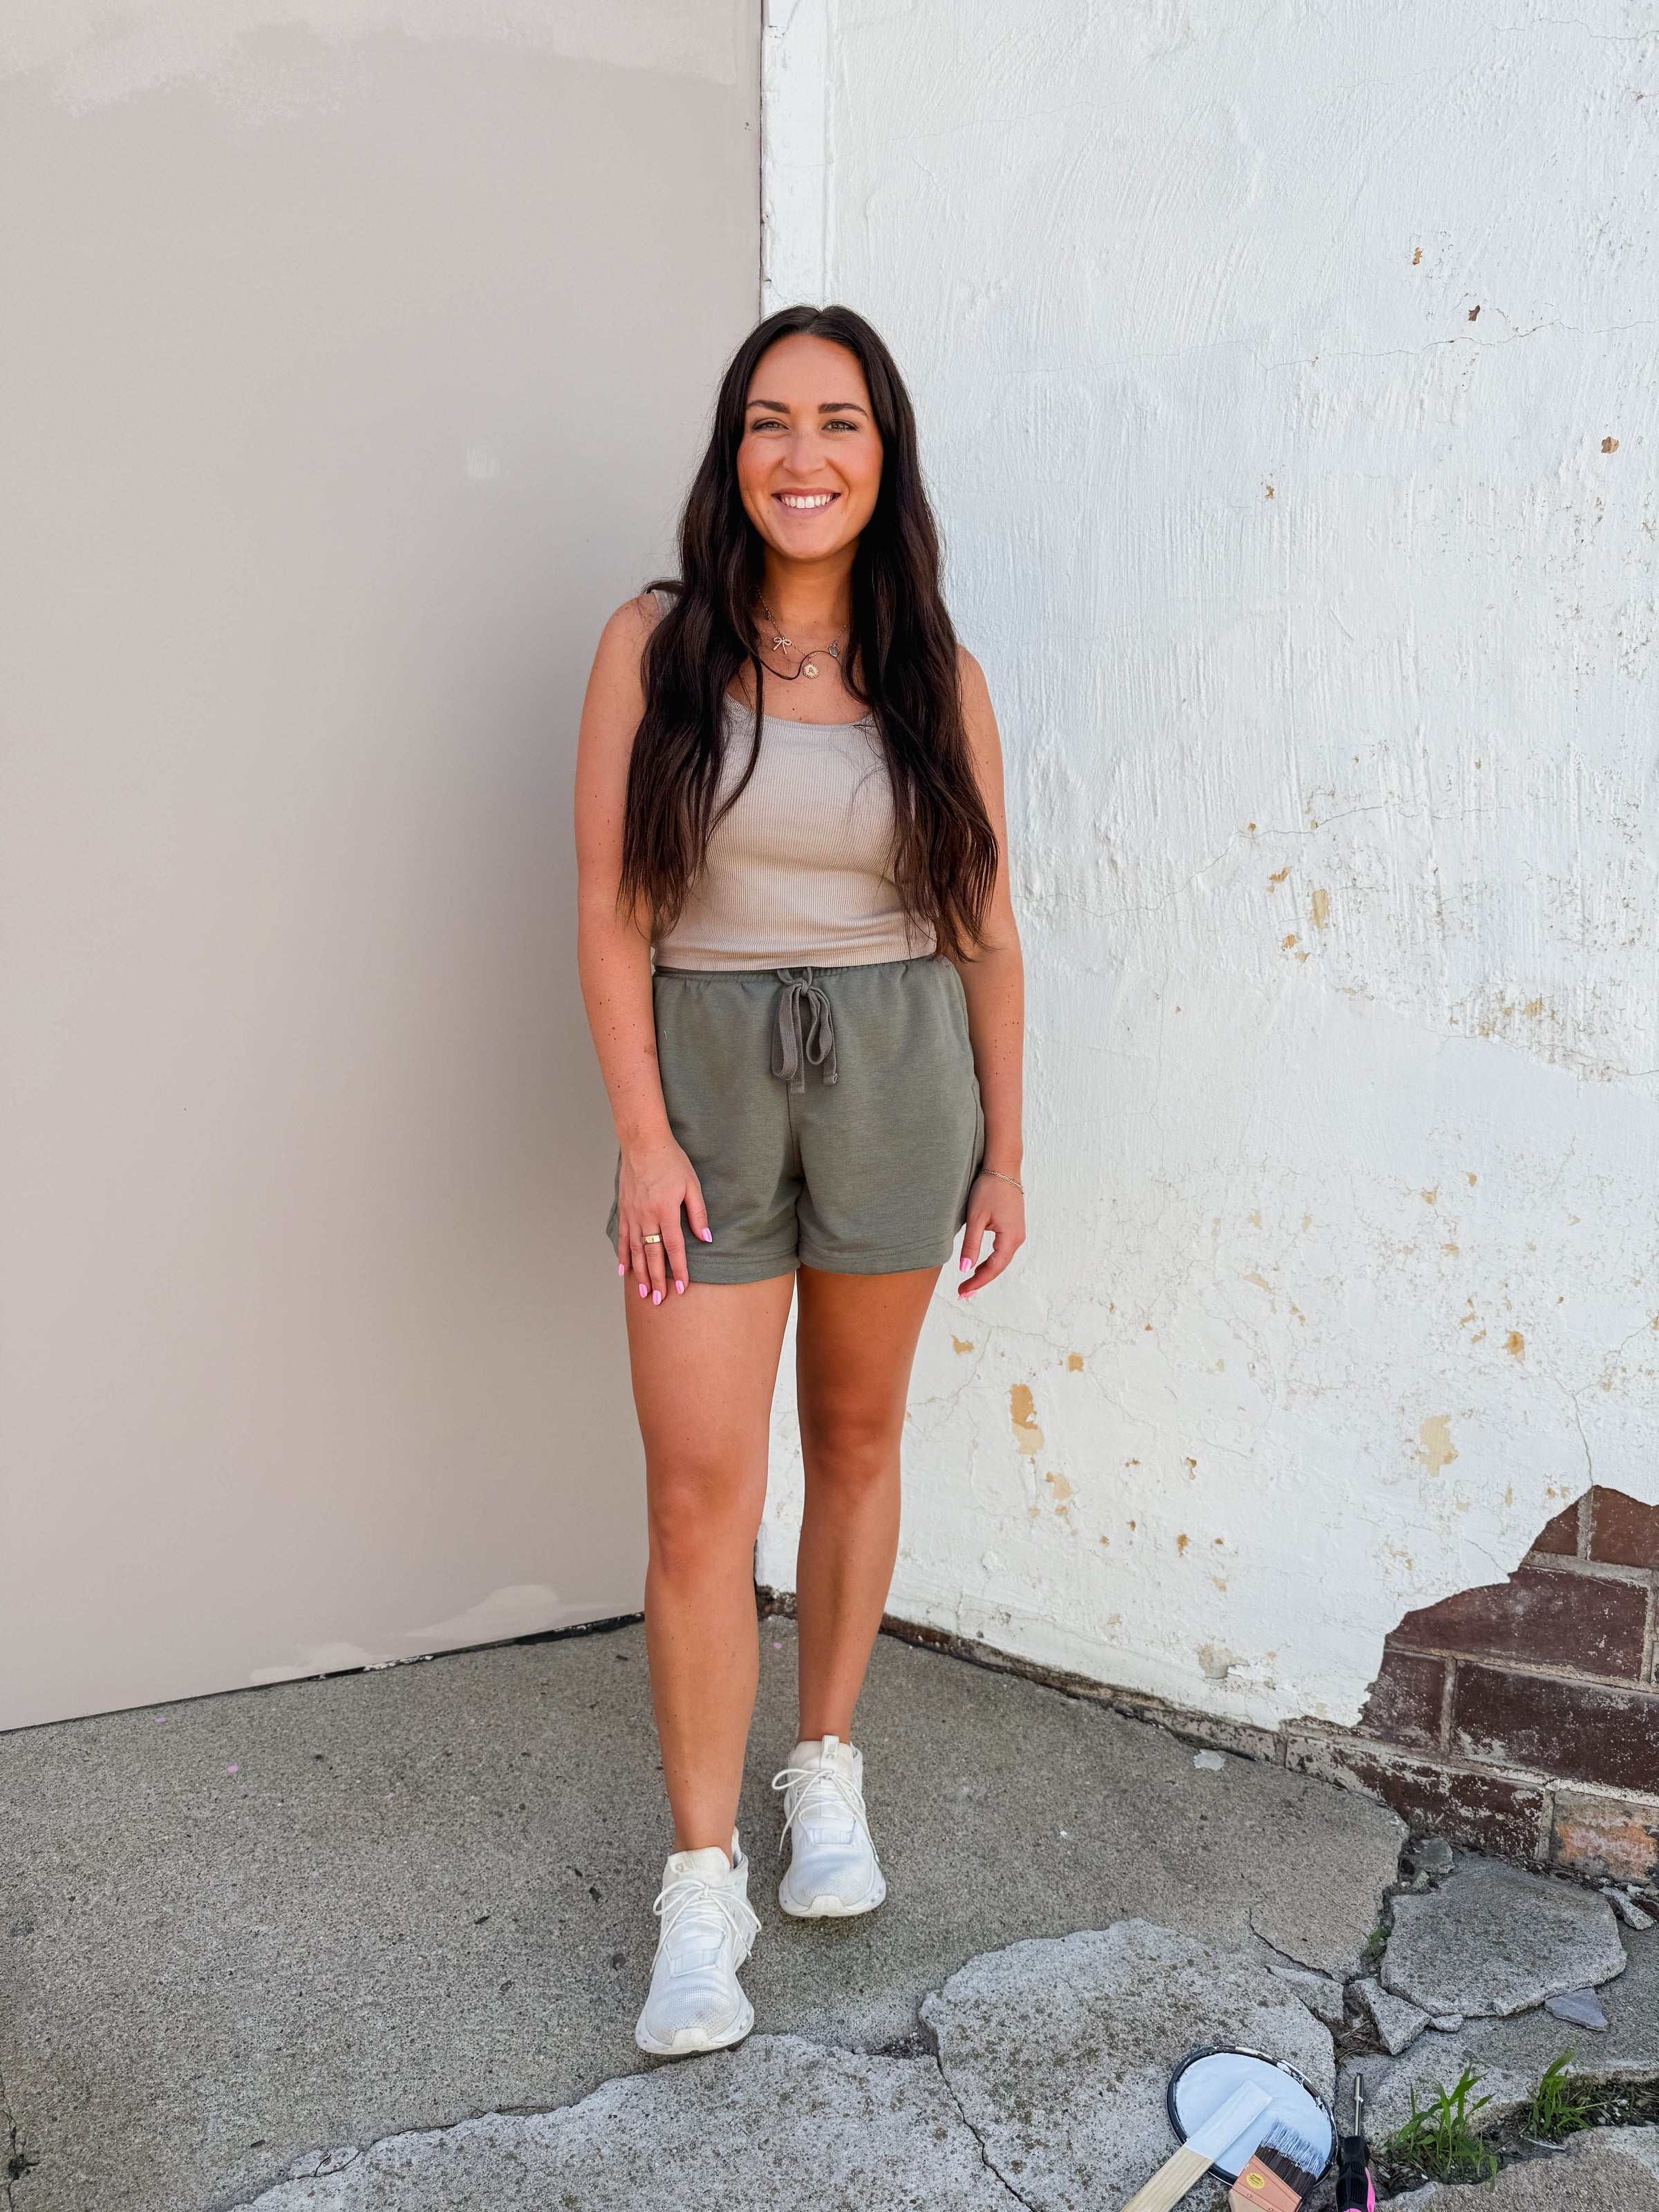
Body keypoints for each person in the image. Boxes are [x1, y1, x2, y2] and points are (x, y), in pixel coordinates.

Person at [574, 303, 1025, 2056]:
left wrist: (1006, 1147)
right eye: (771, 420)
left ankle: (822, 1766)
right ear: (734, 451)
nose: (804, 453)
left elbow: (985, 929)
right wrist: (642, 1134)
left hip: (900, 1073)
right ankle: (702, 1889)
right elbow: (612, 909)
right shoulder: (652, 645)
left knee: (853, 1436)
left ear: (883, 456)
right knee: (698, 1492)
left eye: (839, 421)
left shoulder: (937, 675)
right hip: (702, 1082)